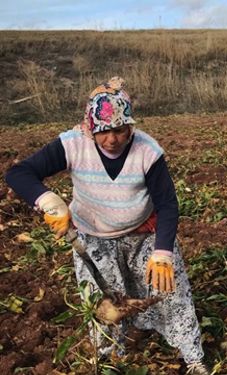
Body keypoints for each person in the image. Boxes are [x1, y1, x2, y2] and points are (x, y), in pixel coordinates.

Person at [5, 77, 209, 375]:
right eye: (102, 131)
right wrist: (48, 201)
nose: (111, 139)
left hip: (143, 233)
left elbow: (167, 204)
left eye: (119, 130)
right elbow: (19, 174)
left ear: (130, 127)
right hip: (93, 238)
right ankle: (112, 362)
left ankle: (193, 359)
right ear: (90, 127)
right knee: (104, 306)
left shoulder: (147, 151)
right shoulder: (73, 144)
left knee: (169, 286)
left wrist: (163, 251)